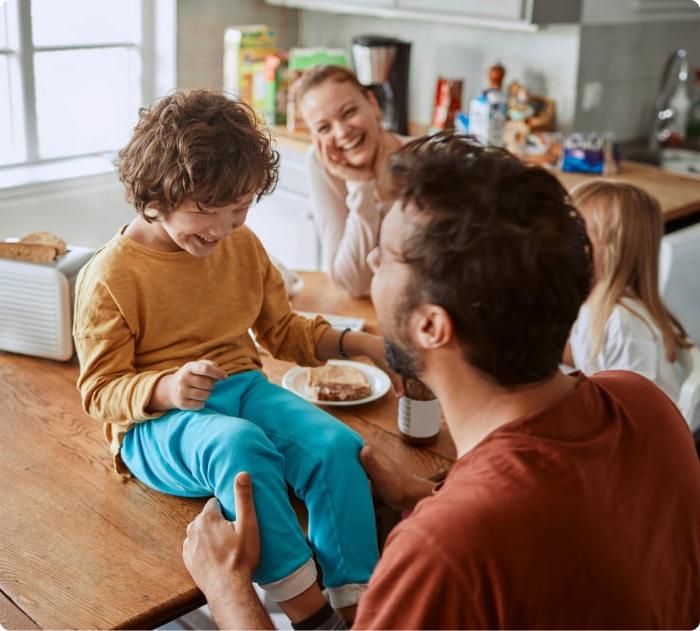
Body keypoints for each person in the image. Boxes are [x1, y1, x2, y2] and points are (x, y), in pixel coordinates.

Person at [182, 133, 700, 630]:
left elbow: (490, 537)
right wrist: (423, 494)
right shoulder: (644, 404)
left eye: (386, 256)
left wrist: (228, 589)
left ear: (431, 325)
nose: (371, 260)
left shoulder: (441, 553)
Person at [73, 89, 399, 625]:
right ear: (153, 198)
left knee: (337, 445)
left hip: (243, 387)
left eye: (240, 210)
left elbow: (282, 331)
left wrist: (368, 347)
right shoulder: (110, 276)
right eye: (206, 212)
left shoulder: (241, 246)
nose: (223, 230)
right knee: (239, 446)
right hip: (155, 425)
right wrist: (167, 388)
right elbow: (100, 392)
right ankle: (310, 614)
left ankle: (357, 603)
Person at [564, 180, 693, 403]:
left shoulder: (622, 325)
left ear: (617, 252)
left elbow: (637, 414)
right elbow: (588, 359)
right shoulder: (596, 307)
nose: (563, 245)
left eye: (580, 237)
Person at [295, 65, 407, 298]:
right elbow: (351, 283)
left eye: (348, 112)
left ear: (373, 105)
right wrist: (361, 185)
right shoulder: (321, 164)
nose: (342, 132)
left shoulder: (425, 157)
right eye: (324, 127)